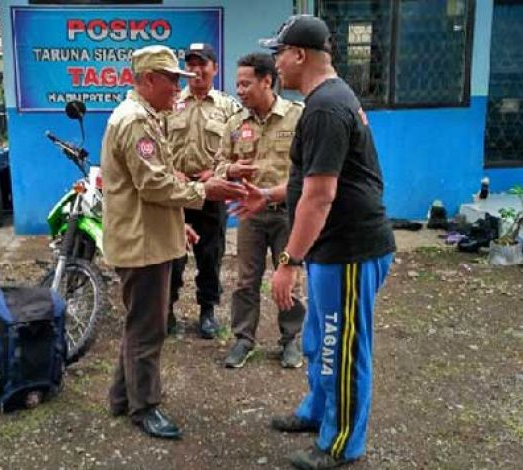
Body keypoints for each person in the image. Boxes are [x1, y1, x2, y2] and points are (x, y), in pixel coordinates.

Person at [238, 15, 396, 469]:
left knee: (341, 347)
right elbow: (315, 182)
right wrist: (268, 195)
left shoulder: (326, 106)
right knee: (318, 339)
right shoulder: (325, 101)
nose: (276, 63)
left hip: (350, 249)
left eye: (279, 53)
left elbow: (322, 194)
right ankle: (318, 412)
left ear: (300, 55)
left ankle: (343, 442)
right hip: (333, 249)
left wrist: (288, 261)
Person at [101, 45, 247, 440]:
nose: (177, 88)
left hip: (148, 233)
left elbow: (150, 184)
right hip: (142, 243)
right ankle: (144, 406)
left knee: (139, 322)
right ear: (149, 80)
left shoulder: (147, 116)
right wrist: (204, 191)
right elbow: (154, 184)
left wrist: (177, 222)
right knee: (148, 329)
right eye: (171, 80)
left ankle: (121, 396)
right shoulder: (136, 122)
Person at [214, 52, 305, 369]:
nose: (239, 90)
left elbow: (308, 170)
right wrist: (230, 169)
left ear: (267, 81)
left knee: (289, 280)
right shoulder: (236, 124)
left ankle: (290, 340)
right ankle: (243, 339)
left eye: (245, 83)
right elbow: (219, 164)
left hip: (287, 214)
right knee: (245, 280)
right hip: (249, 213)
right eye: (237, 84)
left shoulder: (298, 117)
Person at [166, 43, 243, 338]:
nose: (196, 70)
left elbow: (241, 149)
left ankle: (207, 311)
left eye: (203, 64)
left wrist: (217, 172)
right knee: (171, 254)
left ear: (215, 68)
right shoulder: (170, 103)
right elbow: (158, 144)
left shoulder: (229, 107)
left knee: (210, 254)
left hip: (211, 192)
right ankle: (168, 310)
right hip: (176, 190)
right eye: (191, 64)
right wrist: (172, 172)